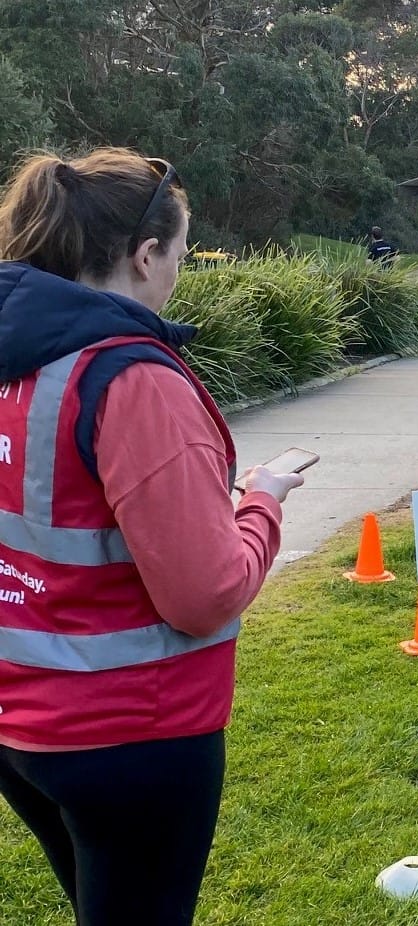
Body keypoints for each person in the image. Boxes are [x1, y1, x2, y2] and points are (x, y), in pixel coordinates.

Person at [0, 147, 303, 924]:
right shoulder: (131, 380)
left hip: (24, 727)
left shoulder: (17, 366)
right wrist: (261, 501)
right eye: (179, 252)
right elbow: (203, 595)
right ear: (145, 255)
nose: (178, 271)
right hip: (130, 733)